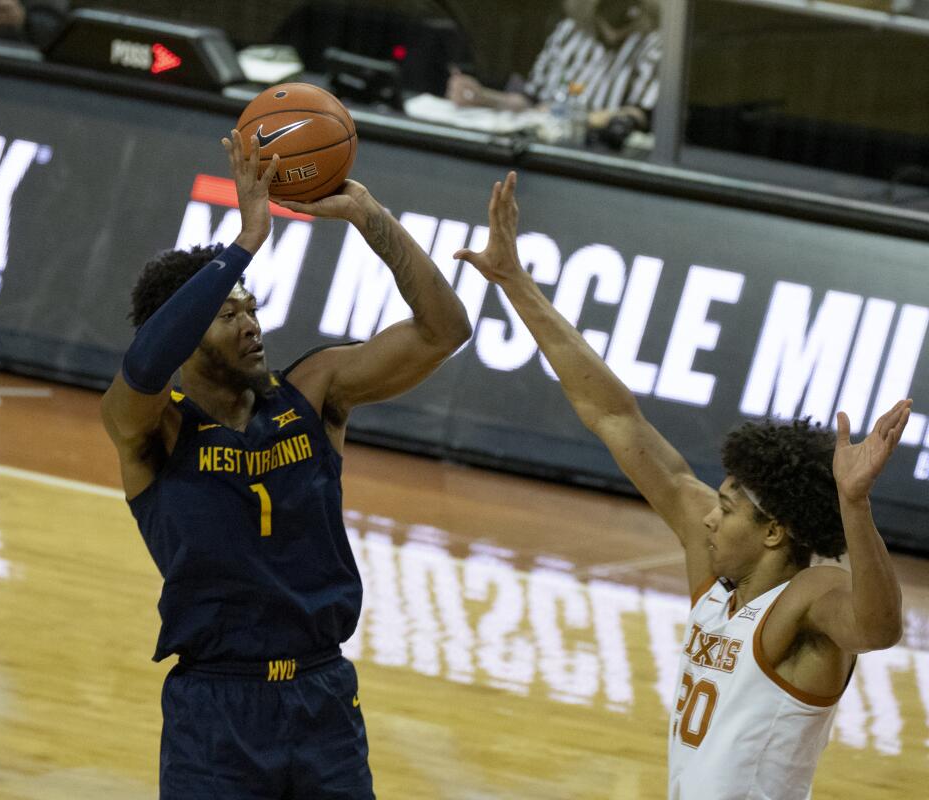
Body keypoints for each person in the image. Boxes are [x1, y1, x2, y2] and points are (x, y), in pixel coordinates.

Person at [455, 170, 909, 799]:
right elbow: (616, 417)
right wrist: (515, 283)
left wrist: (854, 504)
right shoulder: (719, 584)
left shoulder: (811, 597)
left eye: (726, 508)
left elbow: (881, 629)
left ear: (774, 531)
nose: (706, 518)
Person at [100, 131, 472, 798]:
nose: (251, 325)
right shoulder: (153, 427)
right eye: (225, 315)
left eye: (252, 308)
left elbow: (446, 331)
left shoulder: (314, 390)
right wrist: (243, 243)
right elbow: (143, 365)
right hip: (216, 708)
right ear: (185, 332)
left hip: (321, 697)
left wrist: (371, 221)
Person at [447, 0, 661, 138]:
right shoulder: (570, 32)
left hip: (599, 153)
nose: (614, 34)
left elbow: (640, 115)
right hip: (543, 147)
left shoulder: (653, 45)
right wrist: (483, 97)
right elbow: (530, 100)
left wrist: (581, 119)